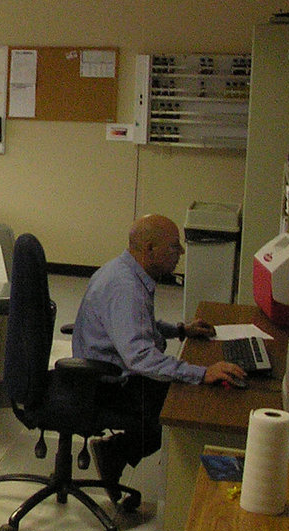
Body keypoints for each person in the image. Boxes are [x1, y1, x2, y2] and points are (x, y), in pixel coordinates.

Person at [70, 214, 246, 505]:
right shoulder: (126, 288)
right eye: (174, 247)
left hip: (106, 370)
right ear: (149, 249)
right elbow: (139, 357)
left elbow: (138, 326)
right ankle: (116, 452)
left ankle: (115, 452)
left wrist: (178, 330)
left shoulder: (125, 270)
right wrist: (202, 373)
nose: (181, 254)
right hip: (108, 384)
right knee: (184, 408)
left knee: (185, 392)